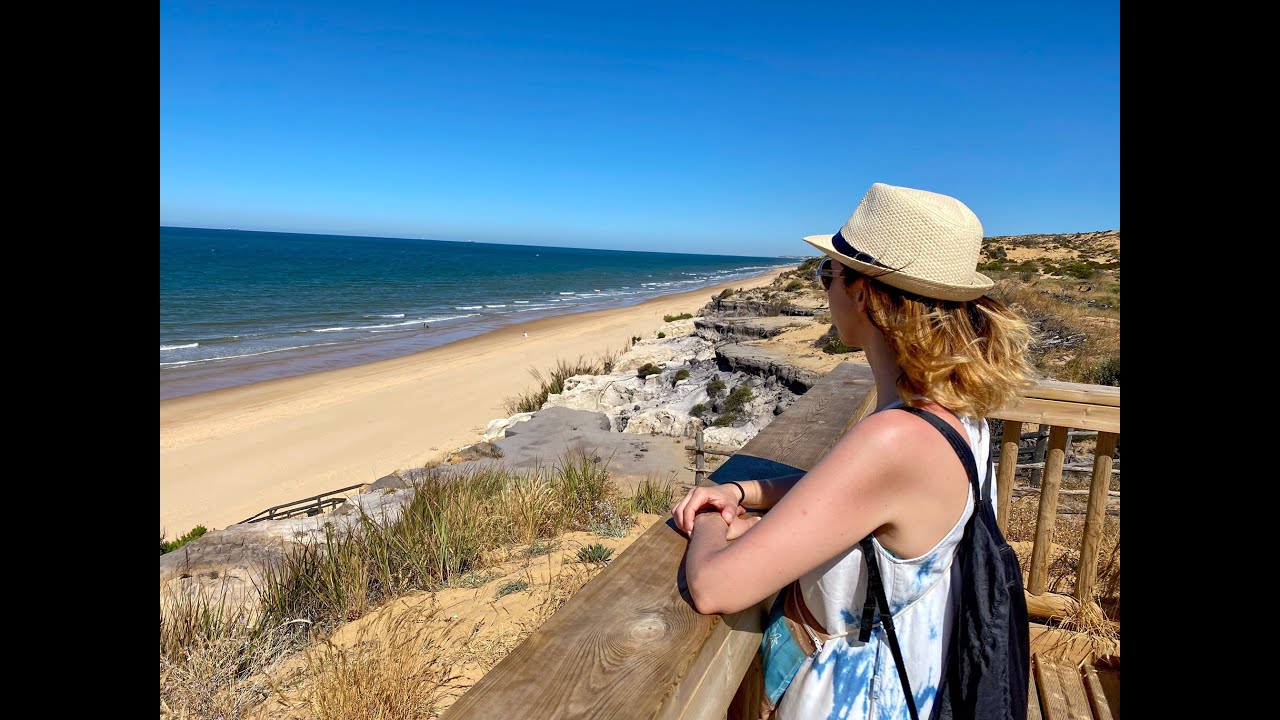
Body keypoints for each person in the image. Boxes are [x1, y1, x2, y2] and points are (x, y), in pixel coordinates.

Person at [672, 182, 1033, 720]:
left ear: (864, 294)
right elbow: (849, 496)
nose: (825, 290)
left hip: (858, 696)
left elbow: (713, 587)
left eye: (828, 274)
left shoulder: (895, 439)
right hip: (920, 674)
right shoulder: (959, 416)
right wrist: (742, 492)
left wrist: (707, 514)